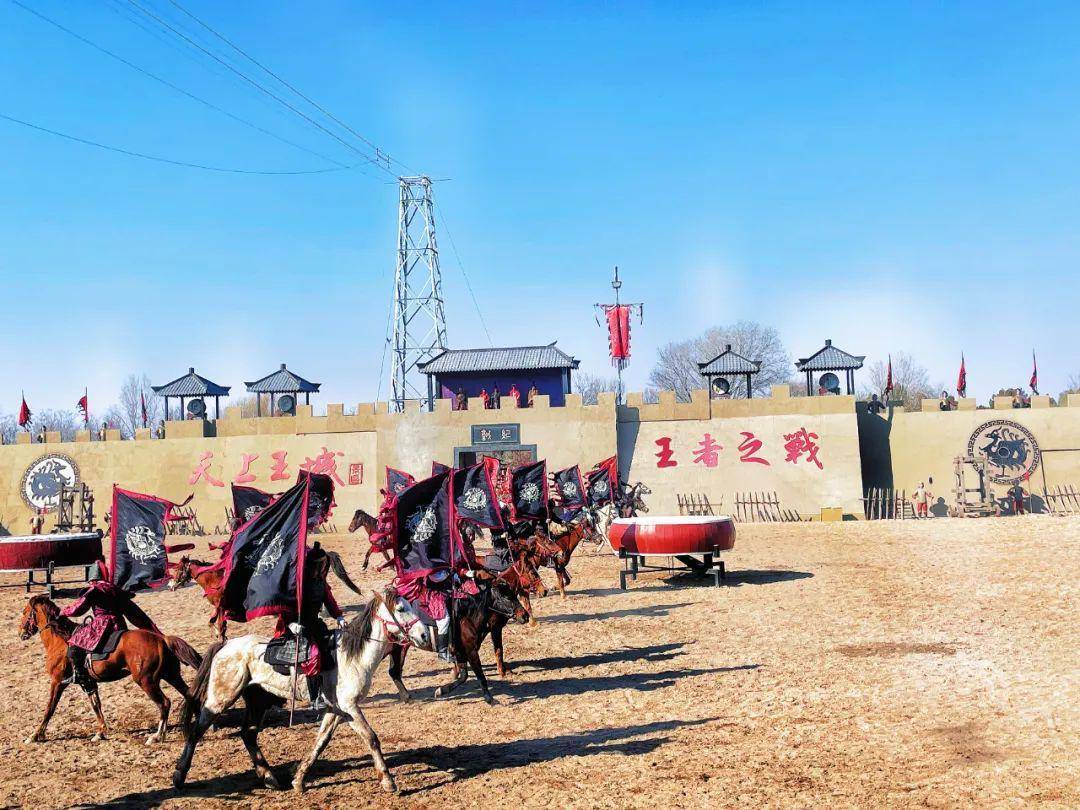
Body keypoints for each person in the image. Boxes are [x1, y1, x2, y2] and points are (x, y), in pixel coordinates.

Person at [273, 542, 346, 703]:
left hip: (314, 623)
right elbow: (285, 604)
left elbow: (329, 600)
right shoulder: (296, 584)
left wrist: (339, 616)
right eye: (321, 565)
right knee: (314, 655)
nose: (323, 568)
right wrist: (290, 623)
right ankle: (315, 698)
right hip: (295, 626)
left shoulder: (320, 582)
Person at [61, 579, 161, 690]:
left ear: (93, 580)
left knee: (74, 644)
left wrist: (63, 611)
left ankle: (80, 676)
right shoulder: (115, 589)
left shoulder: (94, 590)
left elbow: (77, 610)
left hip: (102, 625)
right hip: (119, 624)